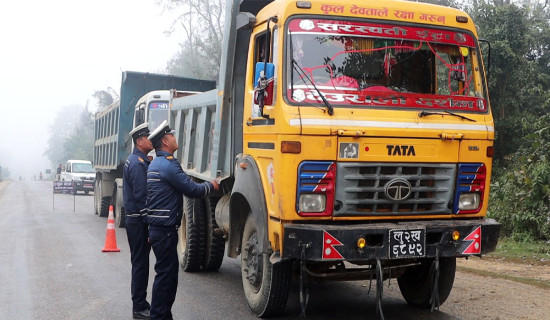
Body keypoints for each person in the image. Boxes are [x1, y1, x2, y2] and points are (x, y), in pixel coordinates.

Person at [146, 120, 219, 320]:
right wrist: (211, 186)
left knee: (166, 275)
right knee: (166, 277)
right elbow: (192, 189)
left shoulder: (155, 163)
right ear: (165, 141)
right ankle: (159, 316)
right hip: (165, 230)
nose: (175, 138)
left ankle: (161, 315)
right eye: (172, 136)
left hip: (159, 229)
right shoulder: (168, 165)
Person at [123, 122, 153, 320]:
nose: (151, 139)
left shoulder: (136, 160)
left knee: (140, 263)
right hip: (138, 222)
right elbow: (142, 197)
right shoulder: (138, 164)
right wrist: (150, 226)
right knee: (141, 265)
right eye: (148, 137)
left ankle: (141, 302)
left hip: (135, 220)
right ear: (140, 141)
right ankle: (138, 307)